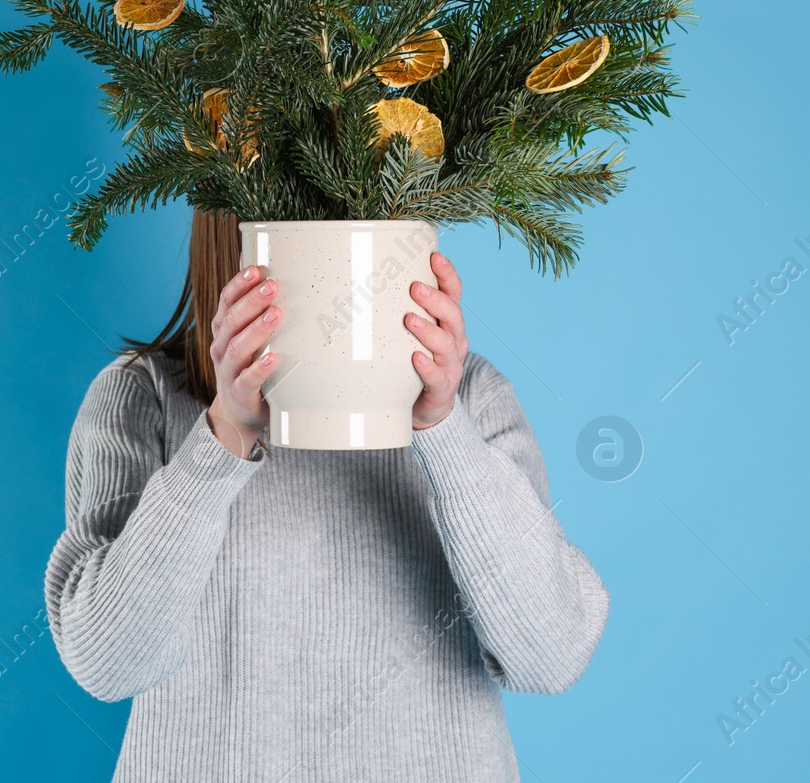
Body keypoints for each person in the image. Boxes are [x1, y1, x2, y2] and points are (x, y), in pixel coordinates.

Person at [44, 210, 609, 782]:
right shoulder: (144, 397)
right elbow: (108, 663)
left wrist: (443, 430)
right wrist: (222, 436)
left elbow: (551, 656)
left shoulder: (474, 401)